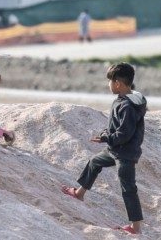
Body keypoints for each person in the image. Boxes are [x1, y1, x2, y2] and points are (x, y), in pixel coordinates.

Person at [61, 63, 147, 235]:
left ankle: (135, 228)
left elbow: (124, 133)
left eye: (110, 81)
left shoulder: (128, 106)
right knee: (94, 162)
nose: (108, 85)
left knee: (128, 188)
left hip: (125, 154)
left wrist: (106, 138)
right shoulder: (124, 99)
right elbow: (116, 126)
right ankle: (79, 193)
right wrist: (105, 134)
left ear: (118, 84)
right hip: (115, 150)